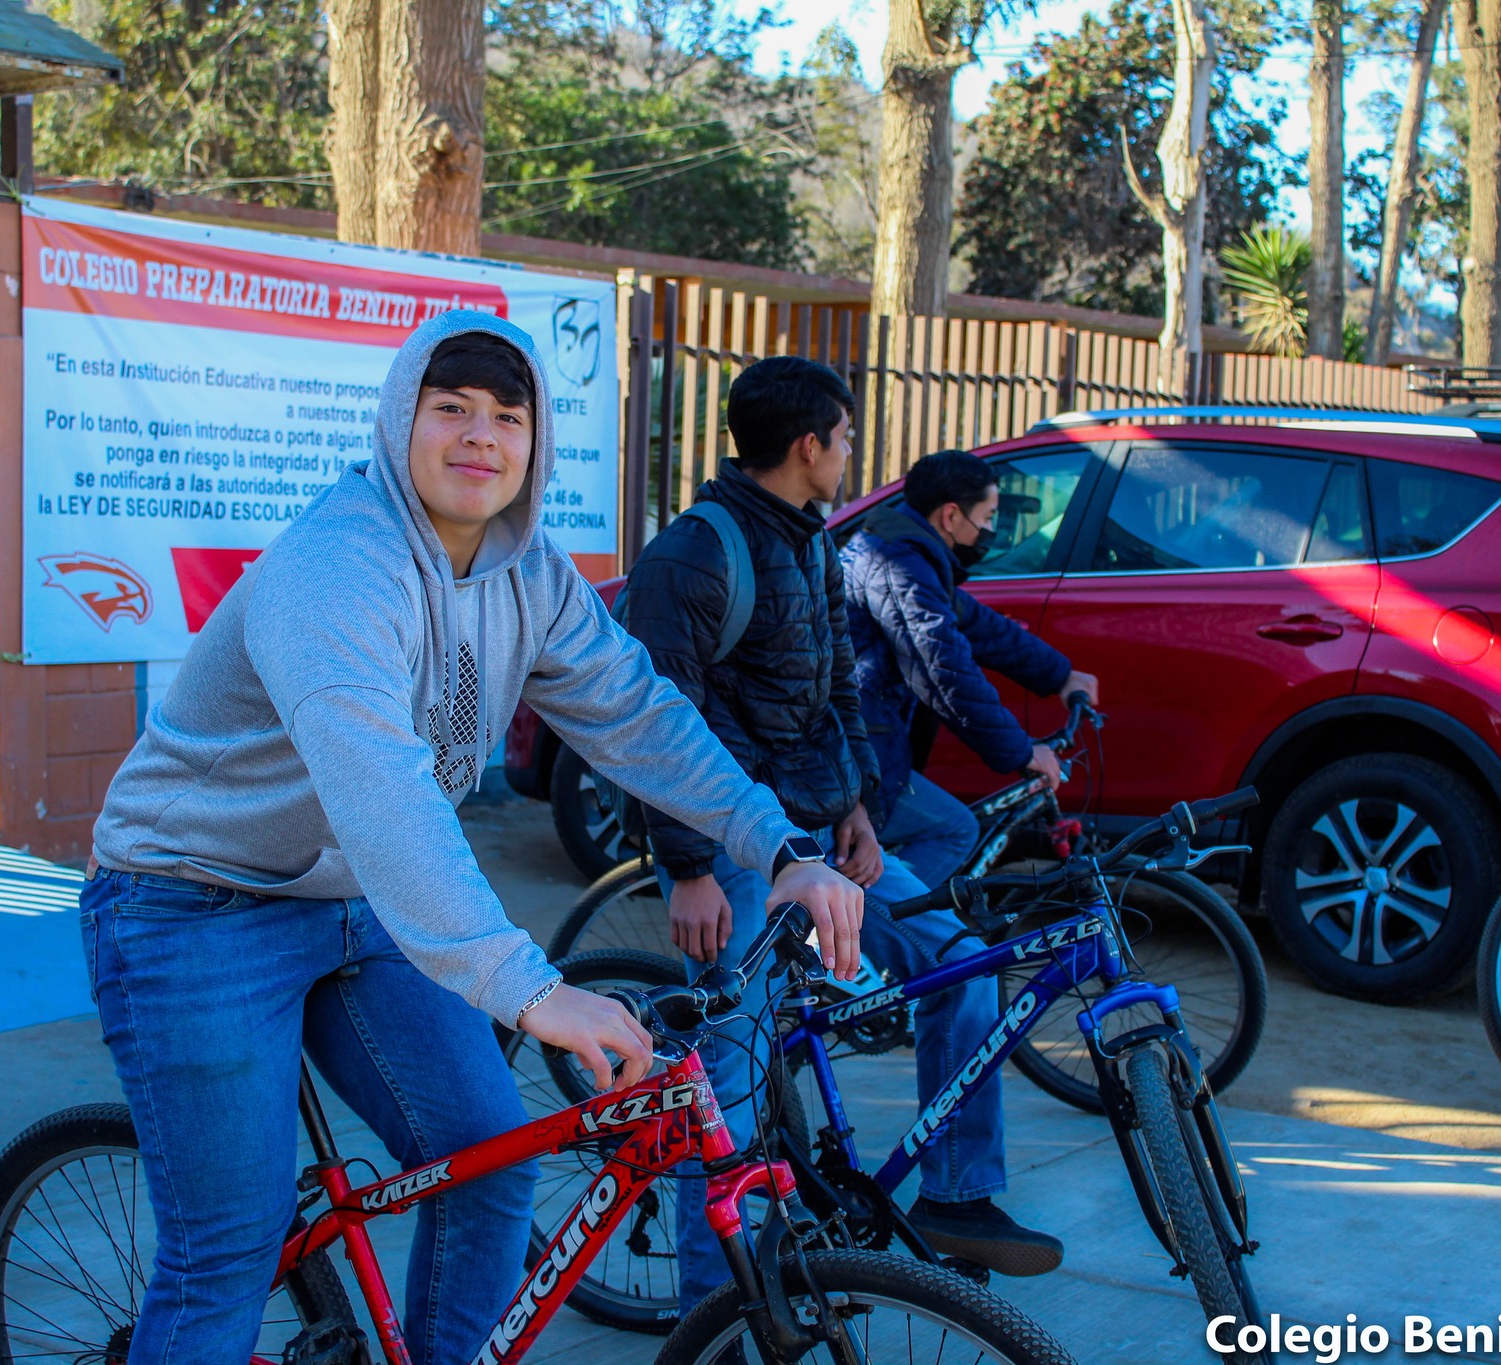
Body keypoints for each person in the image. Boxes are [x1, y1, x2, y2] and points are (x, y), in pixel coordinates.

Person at [83, 313, 864, 1365]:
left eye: (507, 415)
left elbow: (640, 717)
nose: (478, 436)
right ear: (400, 418)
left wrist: (776, 848)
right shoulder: (335, 568)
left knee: (490, 1166)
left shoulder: (531, 577)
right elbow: (384, 796)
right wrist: (531, 989)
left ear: (535, 443)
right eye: (448, 408)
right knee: (226, 1251)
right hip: (191, 904)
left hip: (355, 900)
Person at [624, 356, 1063, 1309]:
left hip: (825, 838)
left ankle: (958, 1196)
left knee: (964, 964)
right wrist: (690, 867)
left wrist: (858, 809)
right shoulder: (694, 555)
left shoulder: (816, 540)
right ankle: (728, 1309)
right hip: (735, 854)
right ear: (809, 443)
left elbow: (835, 695)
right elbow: (655, 723)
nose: (855, 453)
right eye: (848, 436)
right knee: (729, 1098)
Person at [841, 449, 1099, 887]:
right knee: (953, 830)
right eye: (988, 516)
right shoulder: (897, 563)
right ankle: (870, 936)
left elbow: (979, 626)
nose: (991, 530)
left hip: (866, 746)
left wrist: (1059, 675)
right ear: (951, 516)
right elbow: (945, 672)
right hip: (855, 756)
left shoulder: (903, 549)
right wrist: (1020, 751)